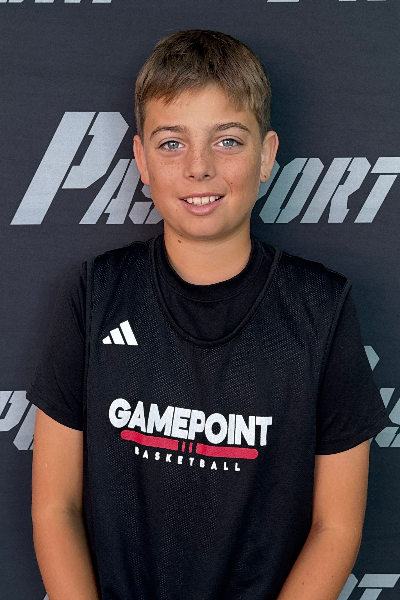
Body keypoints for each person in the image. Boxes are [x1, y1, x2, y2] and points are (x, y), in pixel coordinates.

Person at [29, 29, 391, 600]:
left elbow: (337, 527)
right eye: (172, 143)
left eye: (227, 141)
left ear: (266, 156)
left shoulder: (321, 309)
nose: (199, 167)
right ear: (141, 159)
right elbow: (55, 507)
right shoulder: (96, 294)